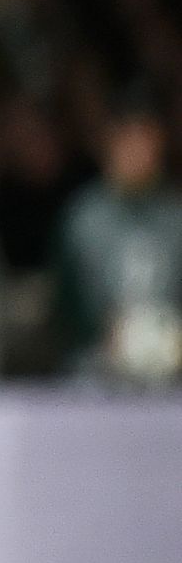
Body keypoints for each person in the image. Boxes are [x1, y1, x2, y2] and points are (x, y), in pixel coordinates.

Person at [57, 100, 182, 380]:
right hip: (93, 379)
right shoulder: (82, 218)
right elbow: (62, 305)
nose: (138, 153)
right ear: (110, 144)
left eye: (146, 141)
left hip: (170, 383)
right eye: (129, 141)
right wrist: (98, 332)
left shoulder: (176, 217)